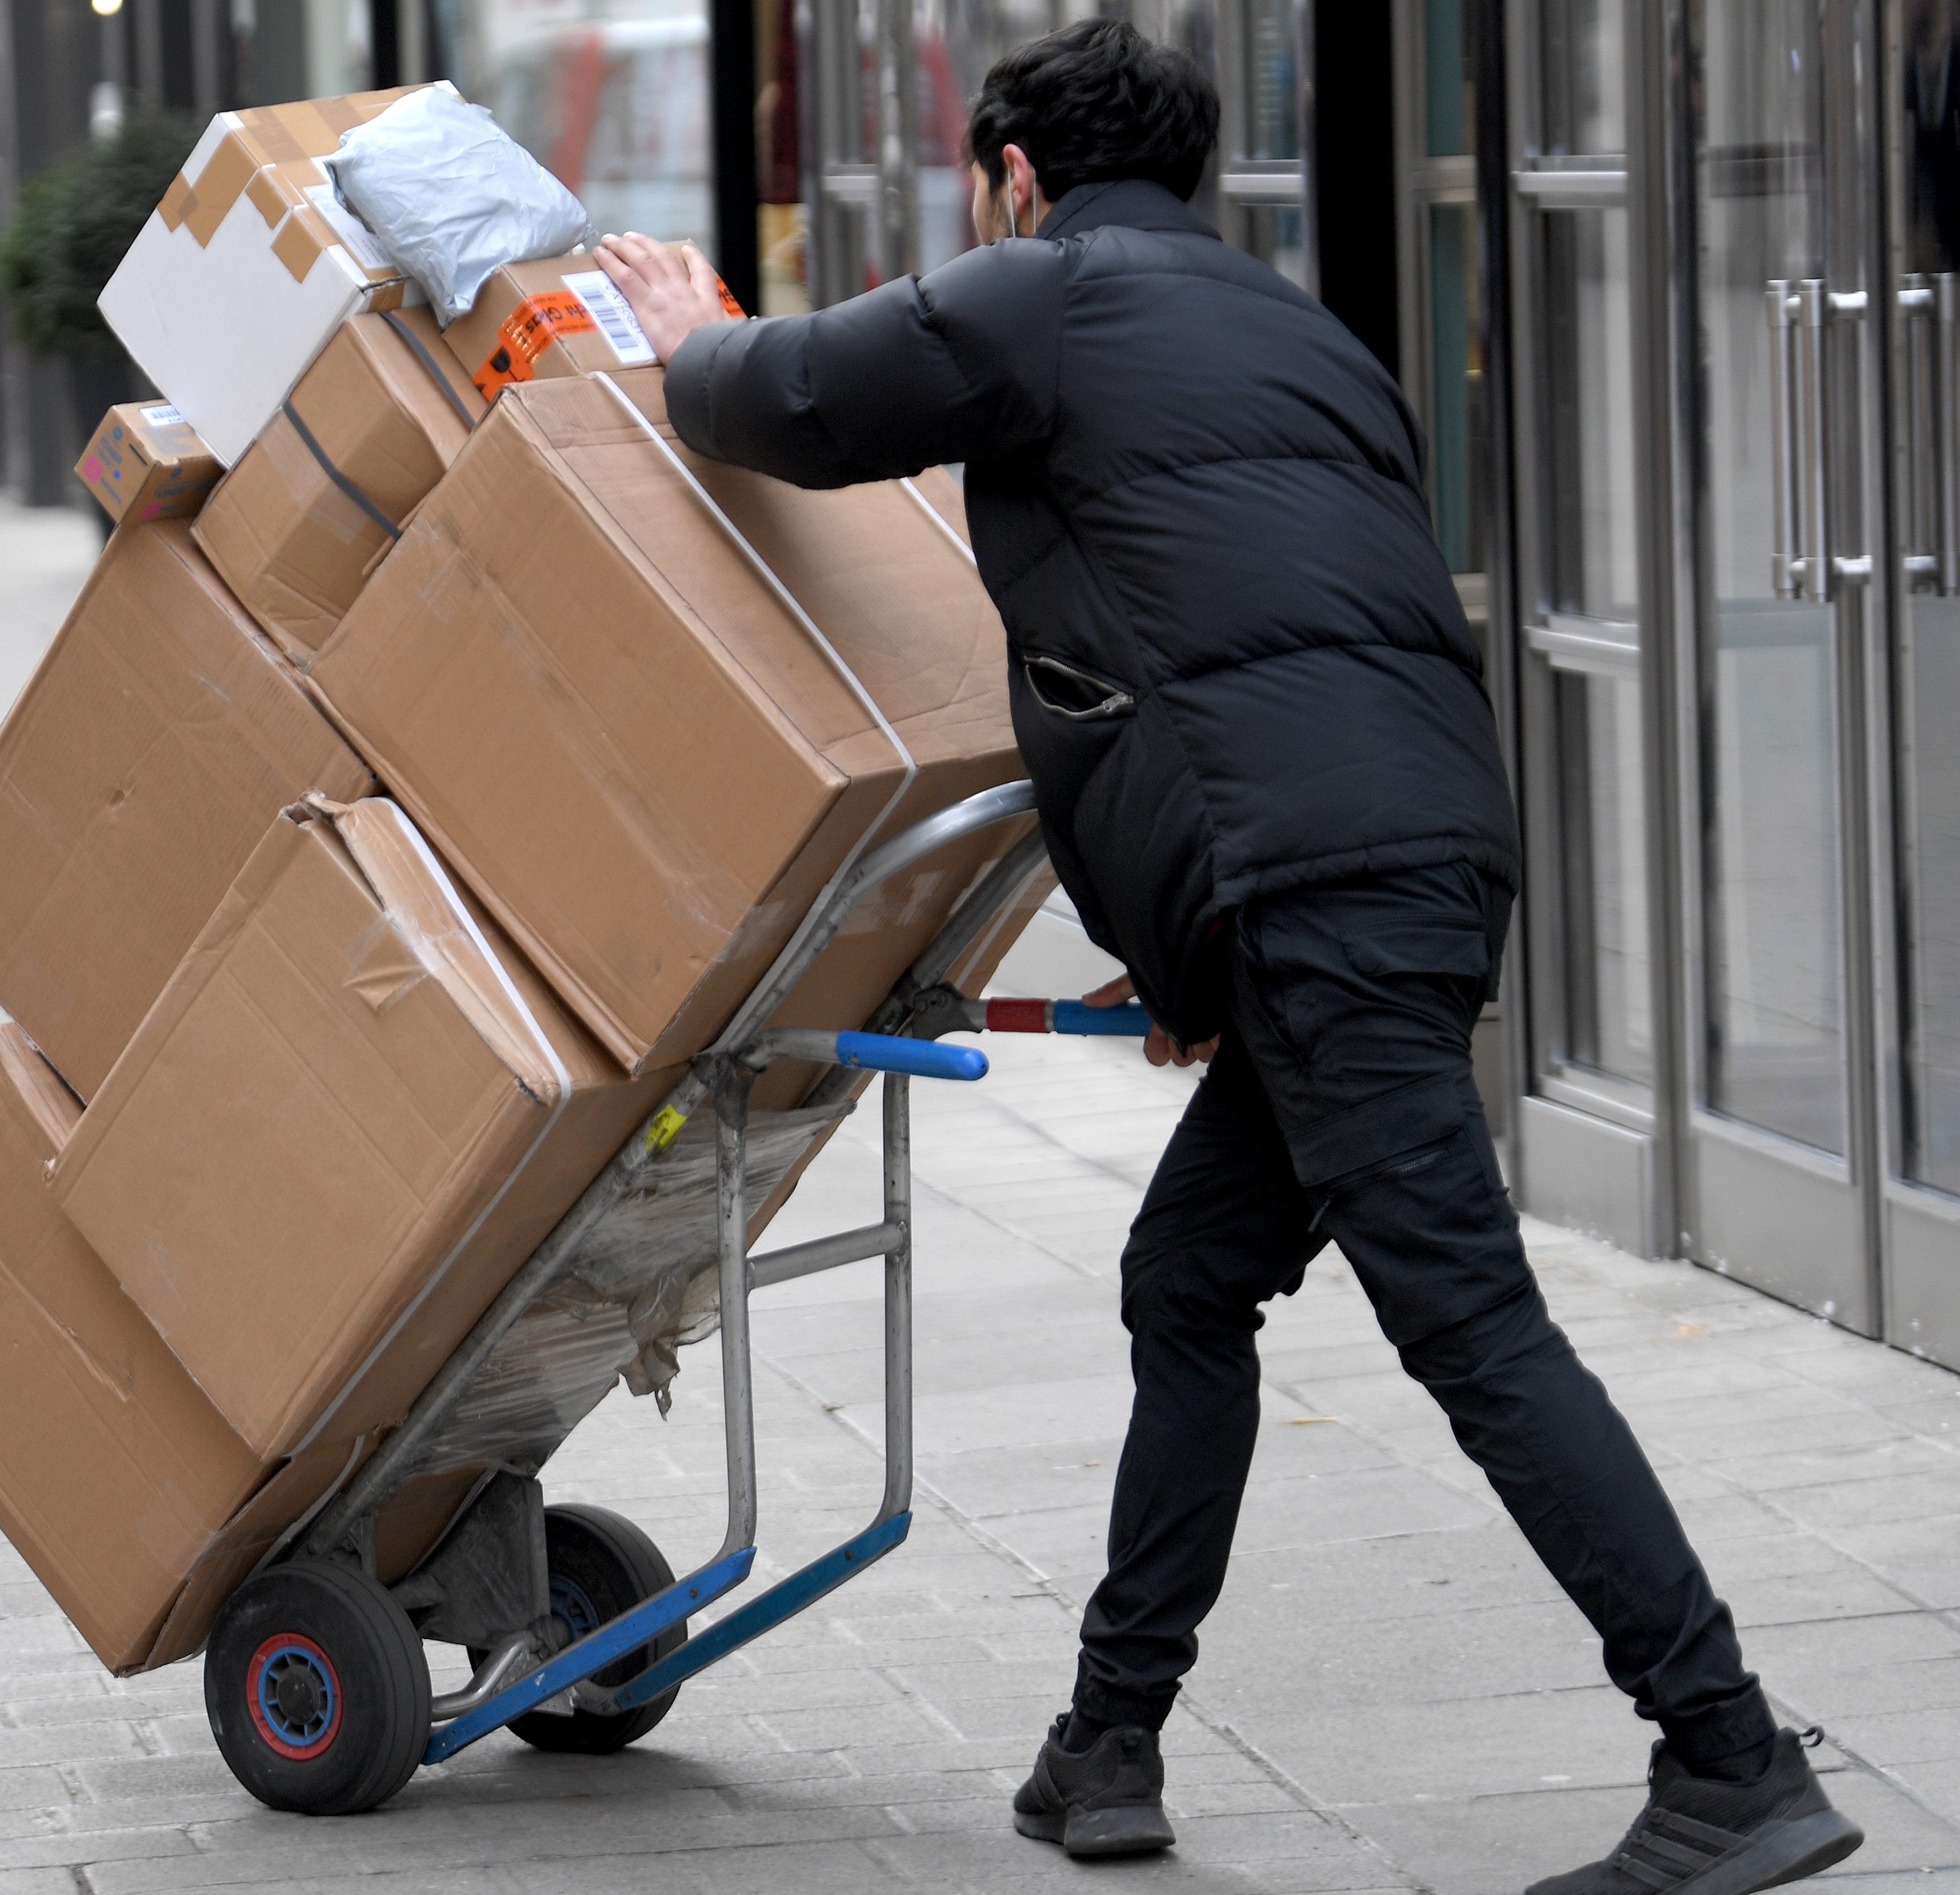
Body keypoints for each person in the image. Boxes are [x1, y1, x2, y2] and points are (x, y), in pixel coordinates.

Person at [593, 20, 1865, 1894]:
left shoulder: (1045, 291)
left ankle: (1728, 1751)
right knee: (1187, 1275)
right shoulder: (1298, 329)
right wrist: (1210, 940)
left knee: (1470, 1320)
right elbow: (1241, 623)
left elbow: (792, 398)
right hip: (1411, 858)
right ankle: (1106, 1740)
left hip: (1314, 887)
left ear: (1013, 177)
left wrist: (676, 329)